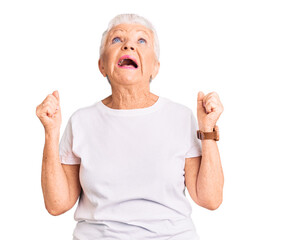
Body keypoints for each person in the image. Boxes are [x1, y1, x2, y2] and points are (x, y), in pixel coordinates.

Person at [36, 13, 224, 240]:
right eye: (117, 39)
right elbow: (57, 204)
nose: (128, 45)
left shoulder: (180, 117)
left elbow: (210, 199)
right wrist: (51, 132)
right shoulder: (81, 121)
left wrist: (208, 130)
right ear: (102, 65)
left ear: (155, 67)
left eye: (141, 40)